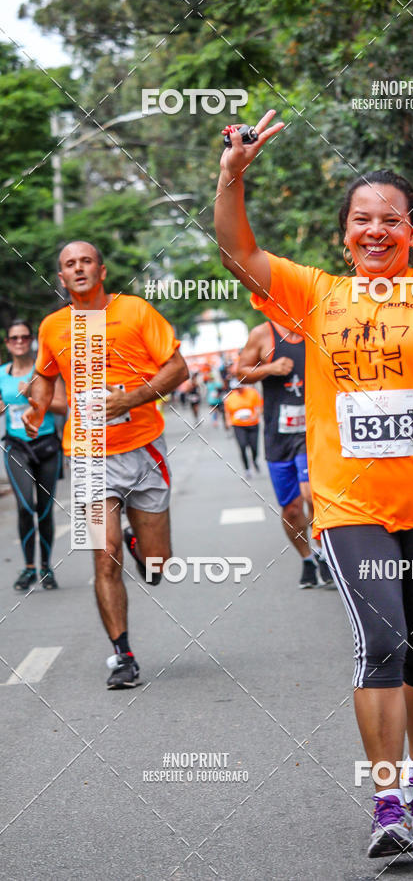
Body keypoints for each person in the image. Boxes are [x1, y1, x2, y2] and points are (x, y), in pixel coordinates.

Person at [215, 52, 413, 857]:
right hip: (351, 505)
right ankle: (386, 805)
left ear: (412, 232)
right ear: (344, 233)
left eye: (391, 219)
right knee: (381, 641)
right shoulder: (314, 294)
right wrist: (232, 177)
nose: (375, 229)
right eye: (362, 219)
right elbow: (239, 253)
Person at [23, 241, 188, 689]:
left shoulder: (135, 311)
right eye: (69, 264)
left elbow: (178, 369)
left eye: (86, 261)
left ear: (102, 270)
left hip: (143, 447)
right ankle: (123, 655)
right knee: (105, 554)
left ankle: (142, 547)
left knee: (158, 564)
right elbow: (45, 377)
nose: (78, 268)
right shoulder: (53, 326)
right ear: (62, 278)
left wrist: (130, 399)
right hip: (89, 453)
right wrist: (38, 407)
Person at [236, 319, 333, 588]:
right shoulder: (262, 333)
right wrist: (269, 368)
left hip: (312, 431)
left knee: (311, 494)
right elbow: (240, 373)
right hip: (277, 435)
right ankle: (307, 559)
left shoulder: (315, 326)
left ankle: (323, 550)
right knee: (291, 509)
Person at [1, 319, 67, 590]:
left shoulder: (46, 371)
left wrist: (35, 396)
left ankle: (46, 568)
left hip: (47, 445)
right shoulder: (1, 374)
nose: (19, 342)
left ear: (31, 340)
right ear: (7, 343)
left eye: (24, 337)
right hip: (17, 447)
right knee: (26, 506)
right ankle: (29, 568)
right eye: (14, 338)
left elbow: (62, 406)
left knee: (45, 510)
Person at [223, 380, 262, 477]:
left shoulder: (252, 393)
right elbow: (227, 412)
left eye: (240, 388)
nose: (238, 390)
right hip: (238, 425)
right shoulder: (230, 397)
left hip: (252, 424)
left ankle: (254, 460)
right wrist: (228, 422)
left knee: (254, 447)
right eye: (236, 389)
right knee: (242, 445)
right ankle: (247, 468)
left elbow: (258, 407)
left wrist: (255, 416)